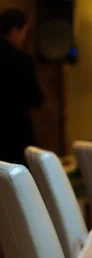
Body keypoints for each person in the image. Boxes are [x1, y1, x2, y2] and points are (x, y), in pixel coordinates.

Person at [0, 8, 43, 165]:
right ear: (14, 31)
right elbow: (36, 99)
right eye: (24, 32)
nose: (23, 38)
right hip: (16, 133)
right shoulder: (22, 60)